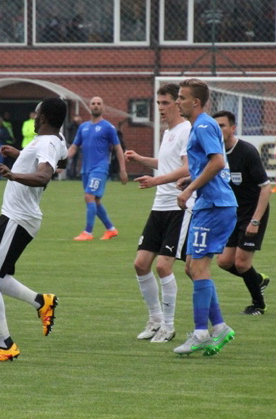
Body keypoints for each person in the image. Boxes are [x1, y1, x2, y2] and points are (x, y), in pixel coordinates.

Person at [0, 97, 68, 361]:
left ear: (45, 118)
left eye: (37, 114)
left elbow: (44, 175)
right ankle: (42, 302)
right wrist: (20, 155)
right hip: (13, 216)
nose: (33, 117)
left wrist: (14, 174)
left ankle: (6, 346)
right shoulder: (55, 140)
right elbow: (60, 161)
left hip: (18, 218)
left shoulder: (48, 142)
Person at [124, 83, 194, 343]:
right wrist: (142, 159)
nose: (161, 108)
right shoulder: (168, 132)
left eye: (165, 103)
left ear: (178, 103)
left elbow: (187, 169)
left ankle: (169, 325)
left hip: (178, 207)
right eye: (158, 103)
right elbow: (167, 164)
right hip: (159, 206)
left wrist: (156, 181)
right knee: (140, 264)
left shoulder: (187, 130)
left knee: (164, 267)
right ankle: (154, 319)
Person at [172, 78, 237, 357]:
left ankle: (201, 333)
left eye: (182, 98)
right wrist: (191, 178)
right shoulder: (202, 125)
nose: (178, 102)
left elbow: (219, 162)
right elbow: (215, 164)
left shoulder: (202, 124)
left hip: (214, 206)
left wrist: (189, 188)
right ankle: (219, 327)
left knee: (198, 269)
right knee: (191, 267)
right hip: (209, 204)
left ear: (195, 102)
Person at [213, 111, 272, 315]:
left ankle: (259, 304)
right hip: (232, 214)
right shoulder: (215, 153)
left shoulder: (247, 151)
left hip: (253, 213)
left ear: (232, 128)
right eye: (216, 126)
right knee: (224, 262)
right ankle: (258, 280)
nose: (219, 129)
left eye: (222, 125)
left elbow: (266, 187)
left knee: (241, 262)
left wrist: (255, 221)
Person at [67, 96, 128, 241]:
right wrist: (62, 162)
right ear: (89, 107)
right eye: (93, 104)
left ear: (103, 107)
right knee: (95, 200)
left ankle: (88, 232)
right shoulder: (83, 127)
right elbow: (75, 146)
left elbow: (118, 149)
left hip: (100, 168)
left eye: (98, 104)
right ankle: (111, 229)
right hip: (86, 169)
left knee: (89, 196)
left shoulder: (108, 127)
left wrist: (122, 169)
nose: (95, 106)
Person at [64, 114, 82, 179]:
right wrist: (74, 121)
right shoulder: (72, 125)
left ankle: (75, 174)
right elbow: (68, 127)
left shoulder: (79, 126)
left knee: (76, 161)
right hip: (71, 144)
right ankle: (69, 174)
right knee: (70, 160)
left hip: (78, 145)